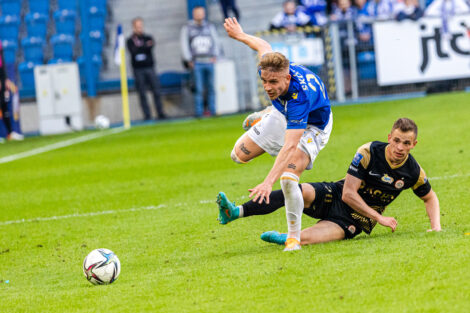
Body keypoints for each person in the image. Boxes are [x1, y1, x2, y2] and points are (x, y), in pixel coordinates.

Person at [217, 118, 442, 248]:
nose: (400, 147)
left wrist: (436, 228)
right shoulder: (369, 152)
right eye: (396, 141)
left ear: (414, 144)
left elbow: (429, 197)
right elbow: (348, 194)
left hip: (355, 219)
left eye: (406, 143)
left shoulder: (413, 171)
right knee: (294, 190)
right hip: (336, 194)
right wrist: (379, 217)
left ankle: (286, 236)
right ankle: (235, 212)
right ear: (389, 137)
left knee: (303, 240)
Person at [224, 17, 332, 251]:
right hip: (282, 114)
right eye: (264, 81)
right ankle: (266, 114)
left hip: (313, 127)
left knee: (288, 179)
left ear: (288, 77)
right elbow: (263, 46)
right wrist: (240, 35)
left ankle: (293, 239)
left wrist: (267, 182)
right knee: (237, 156)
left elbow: (290, 145)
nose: (268, 87)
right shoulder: (273, 65)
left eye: (273, 82)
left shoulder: (299, 98)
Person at [180, 6, 220, 117]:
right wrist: (188, 59)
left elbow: (216, 41)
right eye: (197, 13)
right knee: (198, 88)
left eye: (201, 13)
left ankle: (213, 111)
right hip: (197, 62)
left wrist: (215, 55)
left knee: (211, 87)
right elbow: (184, 44)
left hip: (209, 60)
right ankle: (199, 112)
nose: (199, 15)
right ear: (193, 14)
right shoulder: (187, 28)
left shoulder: (209, 26)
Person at [127, 17, 166, 121]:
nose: (139, 28)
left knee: (156, 91)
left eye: (141, 26)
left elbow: (149, 47)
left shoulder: (148, 37)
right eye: (137, 26)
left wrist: (141, 47)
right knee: (142, 93)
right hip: (138, 70)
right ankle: (147, 115)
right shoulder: (130, 40)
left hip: (150, 67)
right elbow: (133, 51)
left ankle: (160, 113)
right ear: (133, 27)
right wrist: (144, 47)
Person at [0, 41, 23, 142]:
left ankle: (10, 133)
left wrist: (5, 78)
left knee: (4, 103)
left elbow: (2, 60)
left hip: (1, 74)